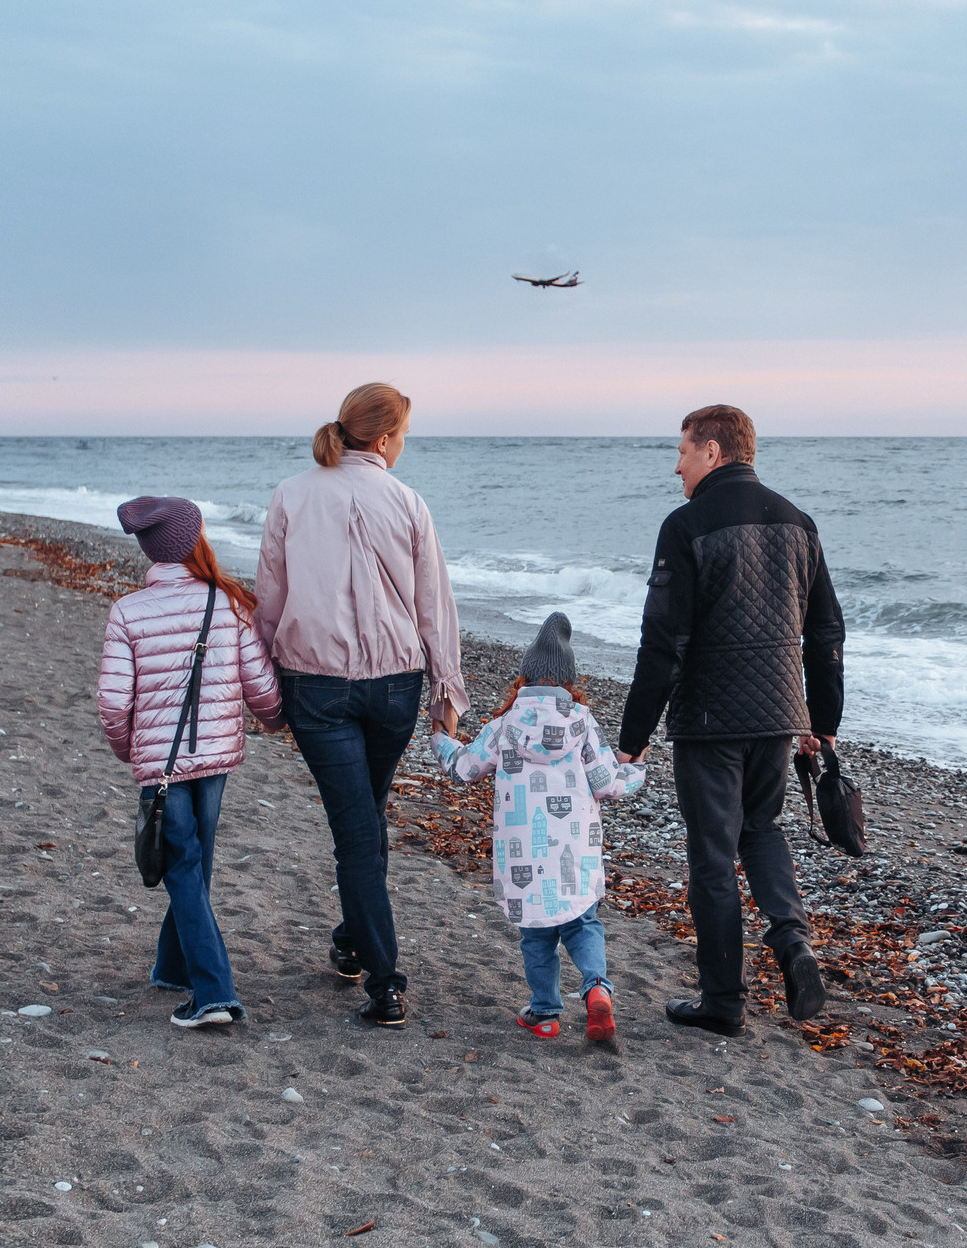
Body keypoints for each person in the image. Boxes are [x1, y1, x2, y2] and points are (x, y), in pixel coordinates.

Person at [616, 405, 844, 1037]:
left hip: (711, 719)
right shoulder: (798, 521)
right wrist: (823, 719)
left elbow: (664, 641)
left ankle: (723, 1000)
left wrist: (632, 740)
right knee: (762, 827)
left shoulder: (686, 525)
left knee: (713, 856)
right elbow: (826, 631)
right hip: (778, 710)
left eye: (684, 452)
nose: (678, 465)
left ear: (713, 453)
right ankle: (792, 940)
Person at [255, 381, 468, 1029]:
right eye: (403, 435)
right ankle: (369, 958)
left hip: (318, 685)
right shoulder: (407, 501)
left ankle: (380, 973)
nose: (403, 446)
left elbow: (269, 599)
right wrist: (446, 692)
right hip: (392, 685)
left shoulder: (292, 493)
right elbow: (436, 606)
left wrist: (263, 692)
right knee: (363, 823)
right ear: (382, 439)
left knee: (359, 825)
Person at [97, 496, 283, 1030]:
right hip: (216, 758)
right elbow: (261, 687)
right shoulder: (228, 603)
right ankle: (174, 966)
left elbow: (113, 703)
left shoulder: (128, 611)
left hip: (163, 765)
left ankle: (213, 994)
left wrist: (132, 751)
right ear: (195, 541)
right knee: (193, 862)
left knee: (184, 863)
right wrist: (276, 719)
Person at [433, 613, 645, 1042]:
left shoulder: (506, 724)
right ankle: (597, 989)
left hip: (524, 853)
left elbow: (464, 768)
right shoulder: (583, 722)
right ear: (569, 681)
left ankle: (546, 1013)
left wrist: (440, 736)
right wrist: (638, 770)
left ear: (525, 676)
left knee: (536, 937)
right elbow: (606, 784)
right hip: (575, 852)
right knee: (583, 924)